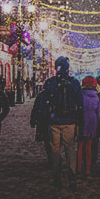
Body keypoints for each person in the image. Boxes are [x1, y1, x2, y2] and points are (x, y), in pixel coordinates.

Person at [40, 56, 83, 189]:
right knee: (70, 149)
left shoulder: (50, 82)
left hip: (54, 121)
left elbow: (43, 104)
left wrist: (44, 119)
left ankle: (57, 177)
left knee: (55, 150)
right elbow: (80, 104)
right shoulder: (74, 82)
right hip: (70, 121)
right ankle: (72, 178)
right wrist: (79, 121)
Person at [78, 76, 100, 176]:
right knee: (89, 147)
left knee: (79, 147)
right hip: (92, 123)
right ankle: (88, 169)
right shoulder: (96, 97)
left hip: (82, 122)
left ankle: (78, 168)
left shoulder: (80, 95)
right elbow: (99, 113)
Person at [30, 85, 52, 168]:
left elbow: (35, 108)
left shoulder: (42, 95)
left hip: (44, 120)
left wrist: (33, 119)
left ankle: (51, 158)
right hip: (51, 120)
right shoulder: (55, 93)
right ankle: (54, 158)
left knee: (47, 141)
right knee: (52, 141)